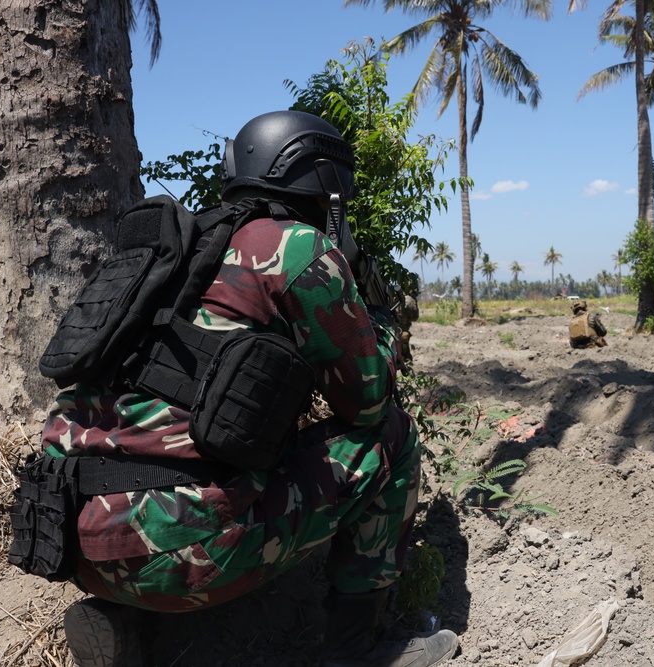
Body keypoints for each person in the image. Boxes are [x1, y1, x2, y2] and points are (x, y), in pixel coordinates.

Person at [33, 111, 458, 667]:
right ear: (329, 190)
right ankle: (361, 651)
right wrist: (379, 318)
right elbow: (368, 402)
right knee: (390, 437)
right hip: (175, 555)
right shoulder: (296, 247)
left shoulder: (177, 249)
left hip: (64, 537)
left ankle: (130, 624)